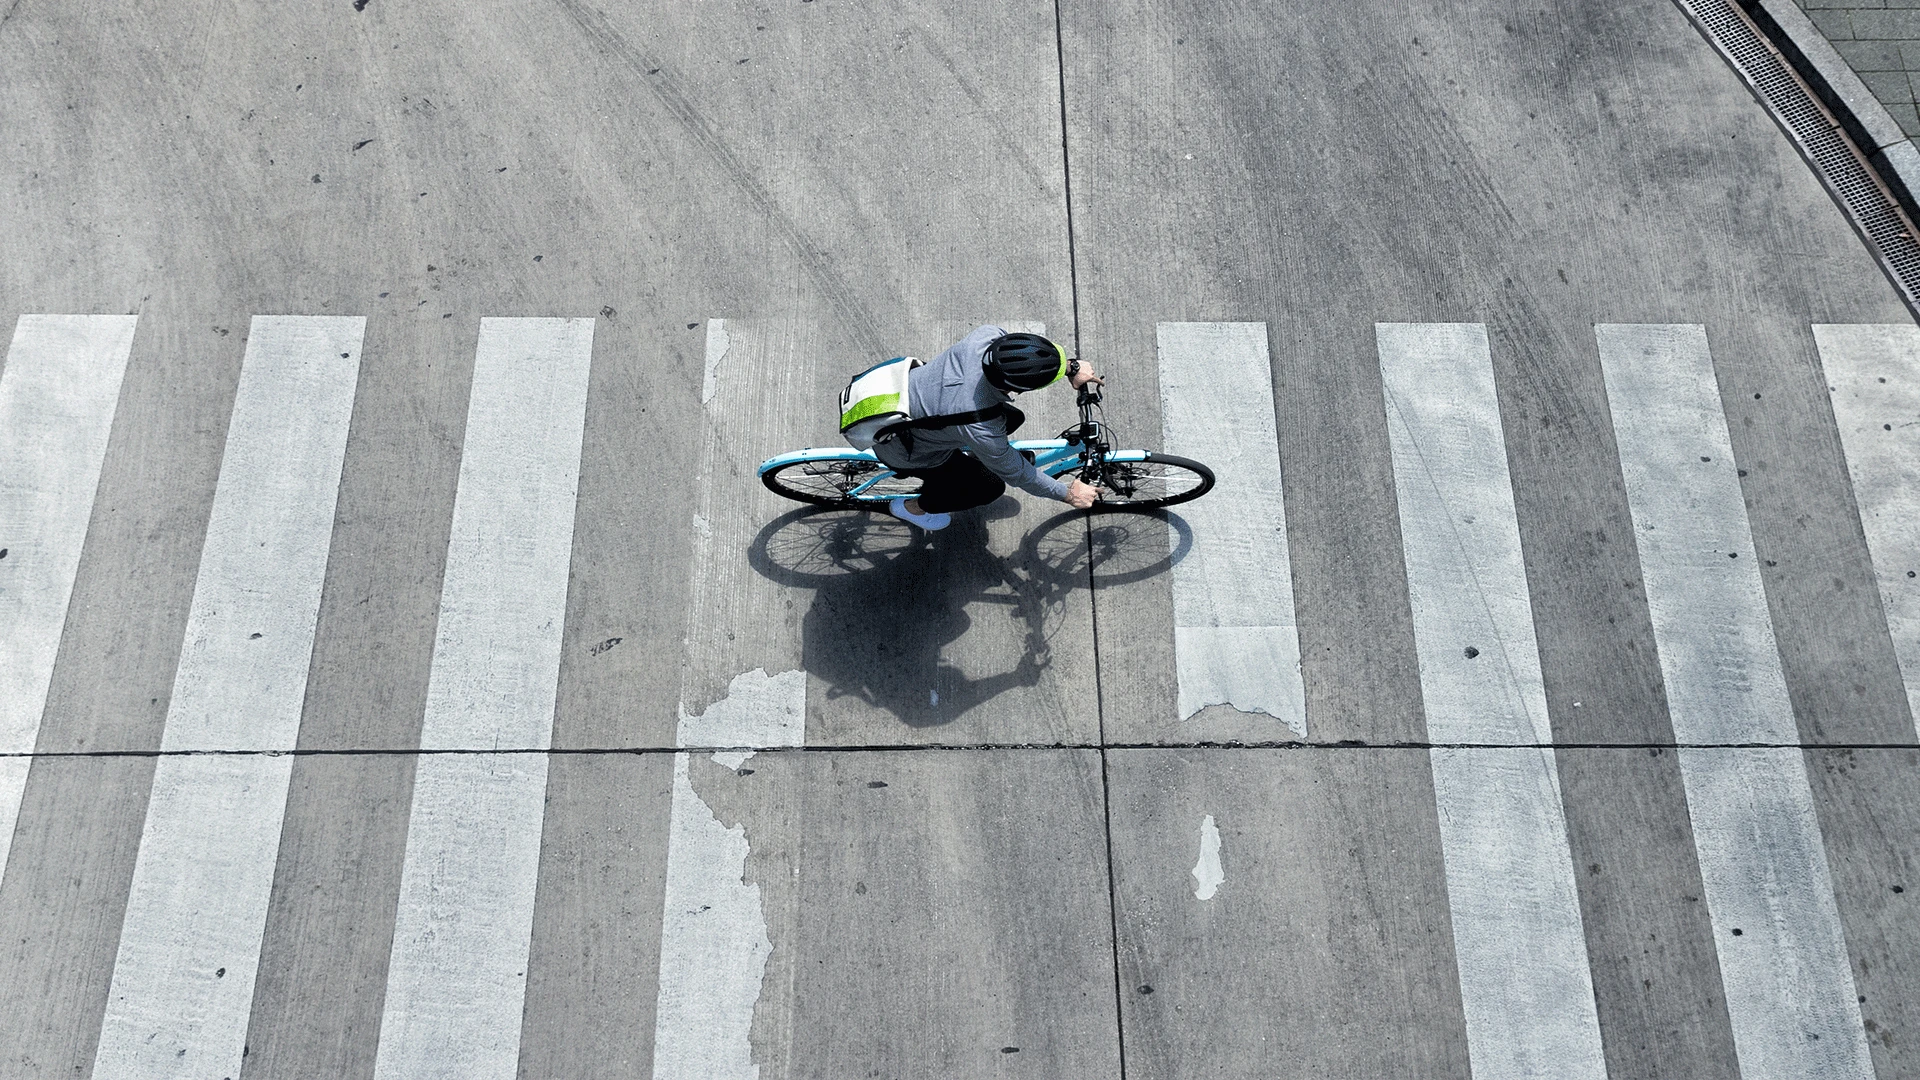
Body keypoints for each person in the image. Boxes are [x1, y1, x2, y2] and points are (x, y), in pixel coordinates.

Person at [873, 325, 1102, 531]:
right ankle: (912, 508)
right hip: (905, 450)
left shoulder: (984, 337)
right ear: (1018, 389)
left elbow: (1020, 356)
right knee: (989, 487)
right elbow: (1020, 474)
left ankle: (972, 458)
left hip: (906, 398)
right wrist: (1068, 494)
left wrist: (1071, 367)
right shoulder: (980, 426)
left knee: (1012, 418)